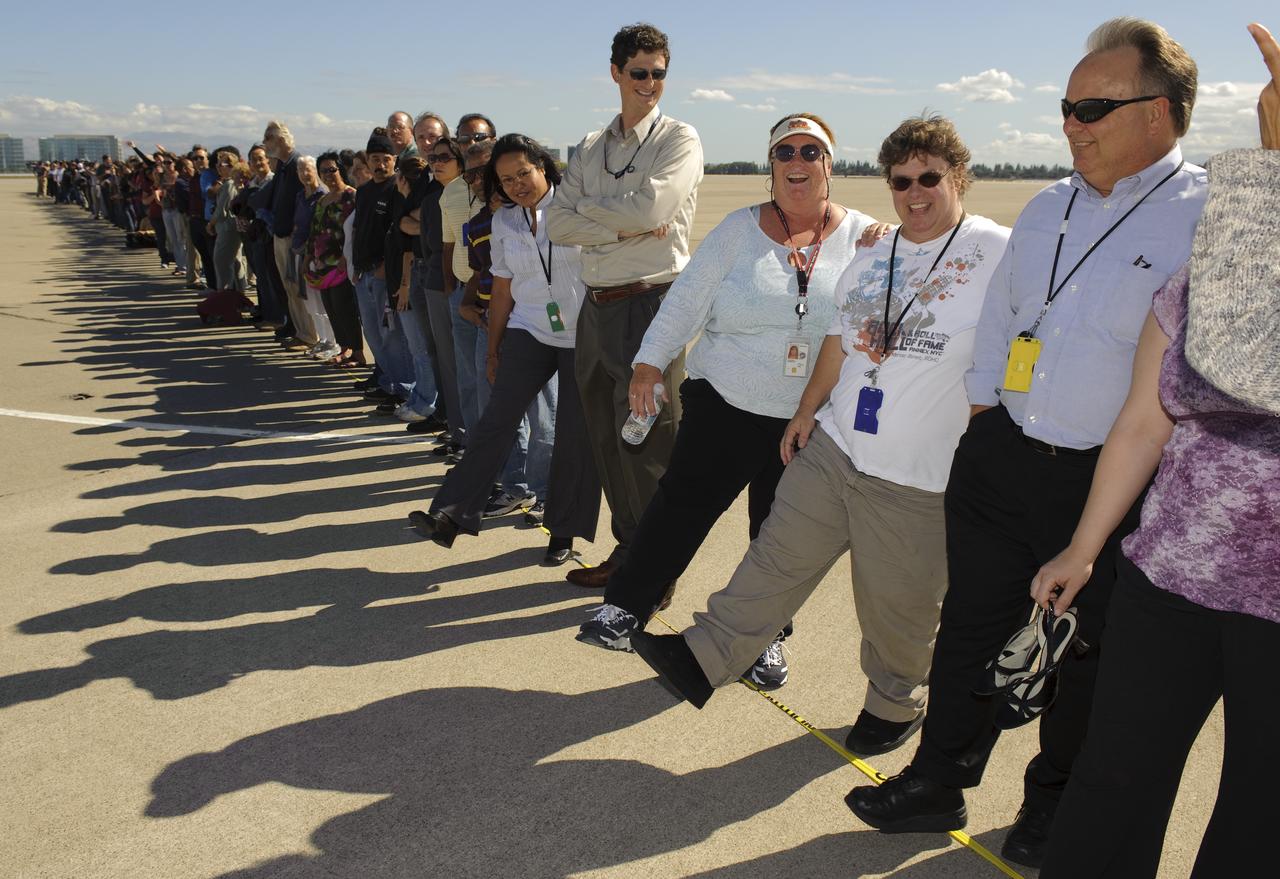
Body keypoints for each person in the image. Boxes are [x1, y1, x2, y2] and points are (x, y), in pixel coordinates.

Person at [845, 17, 1209, 870]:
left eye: (1093, 105)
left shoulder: (1206, 217)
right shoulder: (1048, 203)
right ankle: (937, 779)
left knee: (1080, 655)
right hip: (1003, 456)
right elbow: (1003, 319)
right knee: (969, 626)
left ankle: (1051, 806)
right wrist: (985, 421)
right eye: (1065, 105)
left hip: (1111, 484)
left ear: (1158, 113)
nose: (1071, 122)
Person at [629, 116, 1011, 750]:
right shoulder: (875, 249)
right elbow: (839, 337)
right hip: (837, 445)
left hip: (918, 474)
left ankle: (893, 703)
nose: (914, 193)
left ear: (959, 178)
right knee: (776, 558)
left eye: (928, 179)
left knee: (897, 606)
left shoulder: (997, 251)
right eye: (900, 181)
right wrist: (807, 412)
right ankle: (705, 655)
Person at [1032, 23, 1280, 879]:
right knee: (1111, 783)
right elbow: (1147, 417)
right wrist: (1087, 544)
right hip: (1168, 573)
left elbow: (1257, 368)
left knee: (1260, 818)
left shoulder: (1248, 227)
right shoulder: (1221, 256)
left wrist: (1268, 186)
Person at [577, 113, 880, 692]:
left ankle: (763, 639)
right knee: (682, 507)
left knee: (778, 535)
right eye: (785, 152)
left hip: (810, 417)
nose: (797, 162)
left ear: (829, 165)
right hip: (726, 401)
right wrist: (648, 363)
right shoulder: (738, 231)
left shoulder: (864, 237)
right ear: (770, 165)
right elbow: (687, 301)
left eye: (810, 152)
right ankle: (624, 609)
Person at [547, 22, 704, 588]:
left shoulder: (679, 140)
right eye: (639, 72)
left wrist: (600, 217)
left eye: (659, 73)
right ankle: (629, 550)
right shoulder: (591, 146)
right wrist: (622, 226)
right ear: (616, 73)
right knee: (608, 440)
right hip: (595, 308)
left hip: (652, 306)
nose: (649, 83)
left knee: (650, 439)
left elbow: (651, 213)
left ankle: (655, 573)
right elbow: (555, 221)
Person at [408, 134, 601, 567]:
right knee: (495, 421)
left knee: (574, 435)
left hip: (581, 336)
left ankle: (563, 532)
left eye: (524, 174)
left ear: (543, 167)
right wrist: (494, 350)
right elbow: (502, 290)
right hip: (529, 329)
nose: (517, 185)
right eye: (506, 179)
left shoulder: (576, 207)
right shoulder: (505, 222)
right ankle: (450, 515)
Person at [350, 130, 415, 409]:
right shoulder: (364, 191)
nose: (380, 164)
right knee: (374, 335)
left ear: (394, 160)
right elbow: (358, 230)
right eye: (374, 158)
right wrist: (354, 265)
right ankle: (387, 381)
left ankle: (403, 388)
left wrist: (387, 270)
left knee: (392, 335)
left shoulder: (396, 190)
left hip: (383, 275)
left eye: (385, 159)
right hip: (363, 274)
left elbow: (399, 235)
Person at [306, 151, 364, 367]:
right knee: (331, 308)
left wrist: (347, 257)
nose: (328, 174)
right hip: (322, 264)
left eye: (332, 169)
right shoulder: (322, 200)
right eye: (324, 171)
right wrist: (308, 257)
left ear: (341, 169)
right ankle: (344, 348)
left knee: (344, 307)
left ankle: (357, 352)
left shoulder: (352, 196)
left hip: (342, 262)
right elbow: (315, 231)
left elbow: (356, 231)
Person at [263, 121, 315, 348]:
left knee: (298, 289)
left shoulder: (296, 165)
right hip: (280, 232)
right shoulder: (283, 167)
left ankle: (309, 334)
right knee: (289, 288)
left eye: (268, 139)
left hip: (292, 237)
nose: (265, 145)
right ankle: (301, 331)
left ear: (281, 140)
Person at [292, 156, 338, 359]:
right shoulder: (301, 196)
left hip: (318, 255)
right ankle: (322, 340)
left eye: (307, 169)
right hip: (301, 251)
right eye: (300, 170)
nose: (304, 174)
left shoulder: (322, 195)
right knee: (310, 302)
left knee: (322, 301)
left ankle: (332, 341)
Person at [209, 148, 249, 293]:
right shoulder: (230, 183)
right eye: (217, 165)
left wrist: (210, 224)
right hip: (231, 227)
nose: (218, 168)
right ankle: (239, 295)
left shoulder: (229, 185)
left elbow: (221, 211)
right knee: (236, 261)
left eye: (221, 165)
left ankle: (225, 296)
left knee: (222, 262)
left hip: (227, 228)